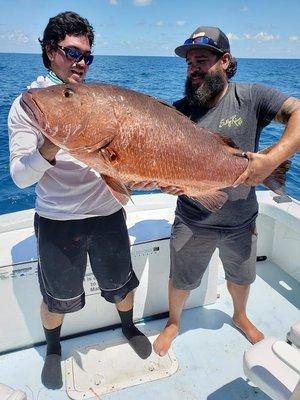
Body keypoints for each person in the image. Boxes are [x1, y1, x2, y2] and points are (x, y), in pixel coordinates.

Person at [8, 11, 151, 390]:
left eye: (88, 55)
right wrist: (56, 139)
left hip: (107, 211)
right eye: (73, 53)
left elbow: (120, 154)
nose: (82, 62)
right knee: (58, 300)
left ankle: (128, 325)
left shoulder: (97, 98)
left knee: (122, 286)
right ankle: (53, 349)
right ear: (50, 51)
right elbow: (21, 176)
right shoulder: (31, 103)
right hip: (57, 220)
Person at [153, 26, 300, 356]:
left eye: (201, 60)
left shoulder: (250, 97)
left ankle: (240, 315)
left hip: (240, 220)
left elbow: (298, 112)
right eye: (189, 63)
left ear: (225, 61)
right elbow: (164, 162)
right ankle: (174, 321)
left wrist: (271, 160)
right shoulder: (178, 112)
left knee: (242, 276)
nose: (193, 68)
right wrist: (162, 180)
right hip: (192, 219)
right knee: (181, 279)